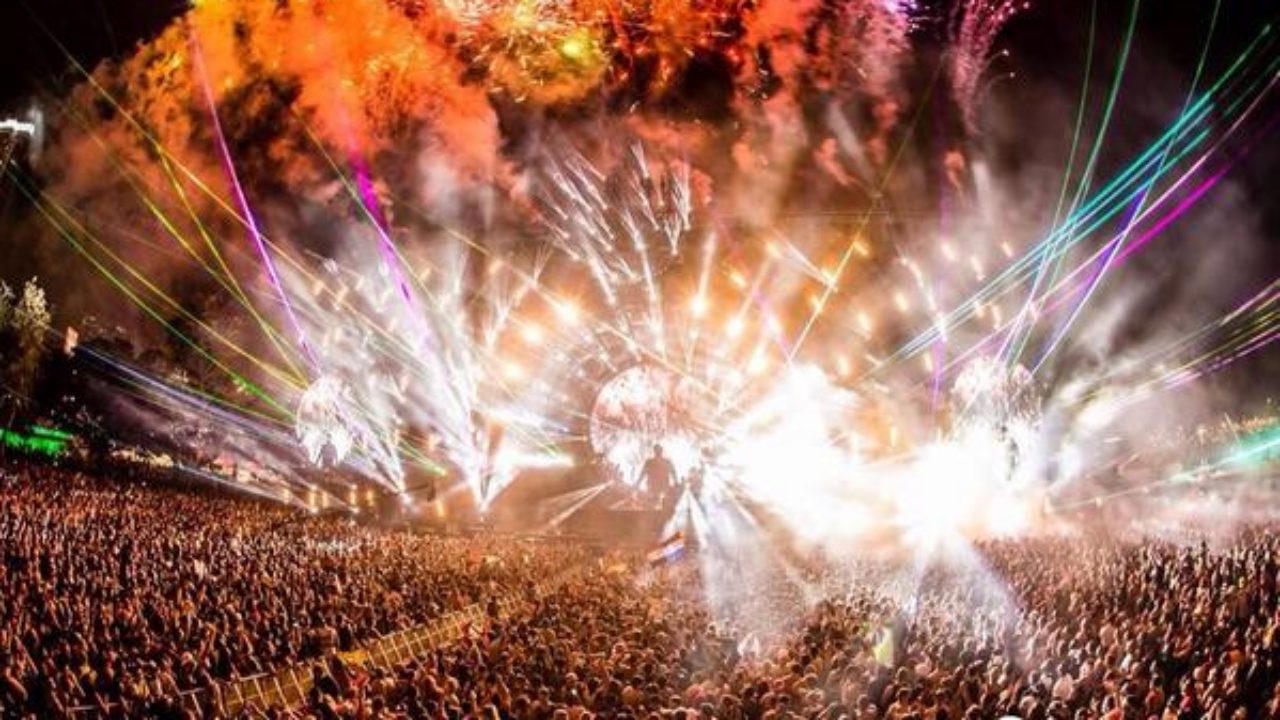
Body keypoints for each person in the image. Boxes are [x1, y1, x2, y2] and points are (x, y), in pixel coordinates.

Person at [640, 443, 677, 508]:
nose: (658, 452)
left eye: (659, 450)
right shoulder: (649, 462)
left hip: (663, 487)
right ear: (654, 451)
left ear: (662, 451)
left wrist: (676, 482)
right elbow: (643, 473)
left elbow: (673, 472)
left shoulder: (667, 462)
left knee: (664, 503)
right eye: (656, 450)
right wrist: (637, 483)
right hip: (653, 487)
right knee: (652, 503)